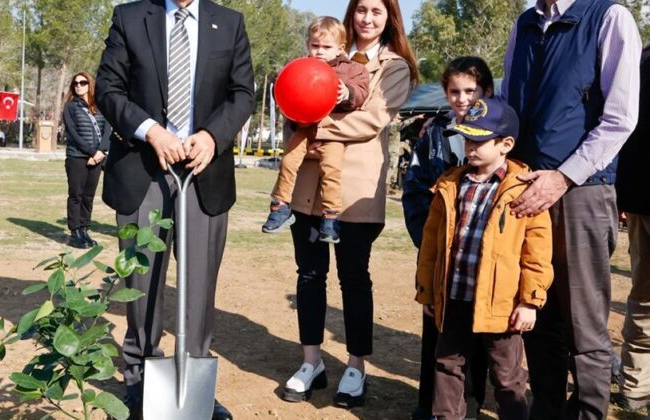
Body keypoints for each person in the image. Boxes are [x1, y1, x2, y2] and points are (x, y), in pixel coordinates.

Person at [95, 0, 254, 419]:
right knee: (142, 280)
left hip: (205, 173)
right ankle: (139, 379)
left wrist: (212, 136)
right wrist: (151, 131)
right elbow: (108, 88)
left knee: (199, 286)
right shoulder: (130, 17)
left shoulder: (230, 23)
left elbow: (242, 94)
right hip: (143, 169)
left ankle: (193, 381)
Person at [501, 0, 642, 417]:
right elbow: (510, 102)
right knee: (537, 314)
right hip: (526, 187)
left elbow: (620, 118)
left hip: (583, 189)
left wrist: (562, 177)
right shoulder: (524, 24)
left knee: (585, 326)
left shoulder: (609, 17)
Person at [280, 0, 417, 408]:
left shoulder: (395, 68)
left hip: (355, 190)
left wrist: (311, 120)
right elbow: (293, 98)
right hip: (308, 184)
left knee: (354, 278)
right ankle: (312, 361)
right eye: (361, 10)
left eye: (376, 11)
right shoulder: (321, 56)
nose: (367, 19)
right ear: (351, 14)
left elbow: (372, 119)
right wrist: (296, 111)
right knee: (309, 273)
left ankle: (356, 365)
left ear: (388, 17)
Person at [415, 98, 553, 420]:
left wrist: (530, 301)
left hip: (503, 308)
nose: (470, 147)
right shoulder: (450, 184)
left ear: (505, 144)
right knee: (447, 366)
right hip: (454, 299)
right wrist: (427, 290)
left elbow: (537, 252)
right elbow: (431, 246)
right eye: (467, 139)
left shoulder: (524, 190)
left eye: (479, 140)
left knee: (507, 376)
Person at [402, 56, 494, 420]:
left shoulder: (498, 132)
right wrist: (429, 243)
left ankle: (471, 405)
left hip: (482, 257)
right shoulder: (433, 134)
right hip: (440, 255)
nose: (462, 98)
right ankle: (430, 407)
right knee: (436, 334)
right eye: (454, 91)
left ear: (485, 91)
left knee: (480, 336)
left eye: (470, 91)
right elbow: (414, 191)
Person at [262, 16, 369, 243]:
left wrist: (347, 93)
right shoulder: (301, 66)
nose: (320, 52)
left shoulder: (351, 69)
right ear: (308, 44)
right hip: (303, 128)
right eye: (315, 46)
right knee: (288, 162)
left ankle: (331, 217)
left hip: (333, 133)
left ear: (340, 48)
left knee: (331, 170)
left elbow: (361, 93)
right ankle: (280, 206)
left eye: (326, 47)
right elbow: (285, 91)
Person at [616, 45, 650, 412]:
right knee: (643, 299)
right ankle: (636, 386)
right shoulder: (639, 59)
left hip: (637, 196)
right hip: (641, 199)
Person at [63, 71, 108, 249]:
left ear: (90, 84)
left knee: (88, 196)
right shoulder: (70, 107)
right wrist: (91, 152)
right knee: (76, 194)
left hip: (97, 157)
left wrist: (101, 151)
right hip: (77, 156)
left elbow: (108, 130)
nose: (79, 86)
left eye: (83, 82)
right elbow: (73, 134)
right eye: (76, 83)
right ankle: (75, 232)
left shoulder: (100, 106)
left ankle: (84, 229)